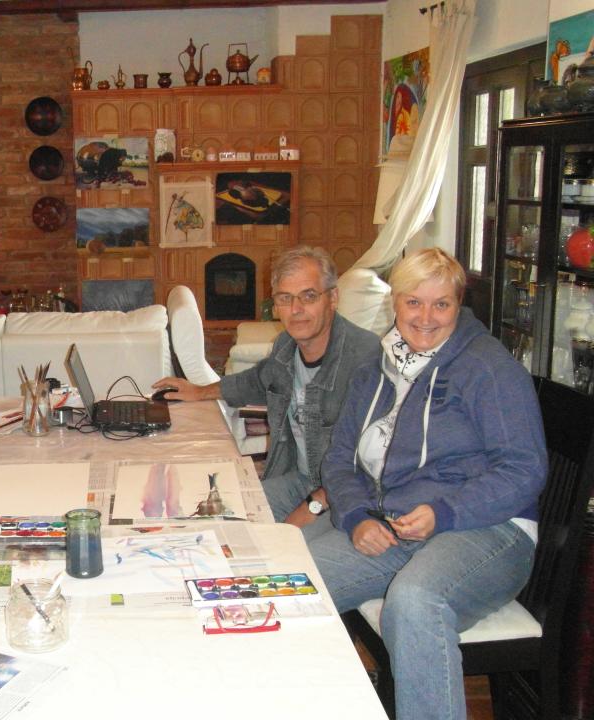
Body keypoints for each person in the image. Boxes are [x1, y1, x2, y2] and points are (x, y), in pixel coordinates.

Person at [308, 248, 547, 720]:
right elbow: (339, 460)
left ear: (458, 305)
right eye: (414, 302)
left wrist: (445, 512)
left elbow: (524, 468)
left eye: (441, 304)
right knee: (293, 581)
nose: (426, 317)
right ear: (395, 302)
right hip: (396, 524)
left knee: (415, 601)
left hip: (490, 528)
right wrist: (355, 517)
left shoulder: (488, 368)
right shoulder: (377, 368)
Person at [153, 246, 379, 533]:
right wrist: (200, 391)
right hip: (299, 479)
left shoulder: (365, 359)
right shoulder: (286, 346)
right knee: (208, 517)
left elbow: (371, 463)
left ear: (333, 298)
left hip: (348, 498)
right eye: (285, 298)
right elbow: (258, 381)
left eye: (309, 296)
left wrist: (312, 505)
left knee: (278, 548)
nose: (296, 309)